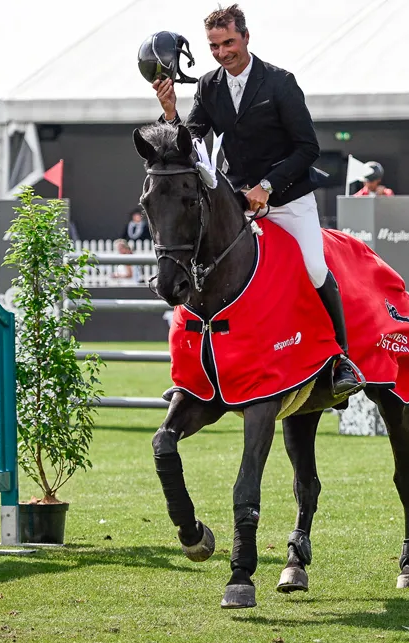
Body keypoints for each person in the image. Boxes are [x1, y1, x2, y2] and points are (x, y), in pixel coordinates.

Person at [147, 4, 360, 396]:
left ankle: (341, 358)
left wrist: (268, 185)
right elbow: (187, 144)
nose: (222, 52)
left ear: (245, 37)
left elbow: (307, 148)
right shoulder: (209, 86)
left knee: (313, 267)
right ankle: (202, 369)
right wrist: (170, 112)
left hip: (288, 197)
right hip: (239, 201)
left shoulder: (280, 82)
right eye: (214, 45)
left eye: (228, 42)